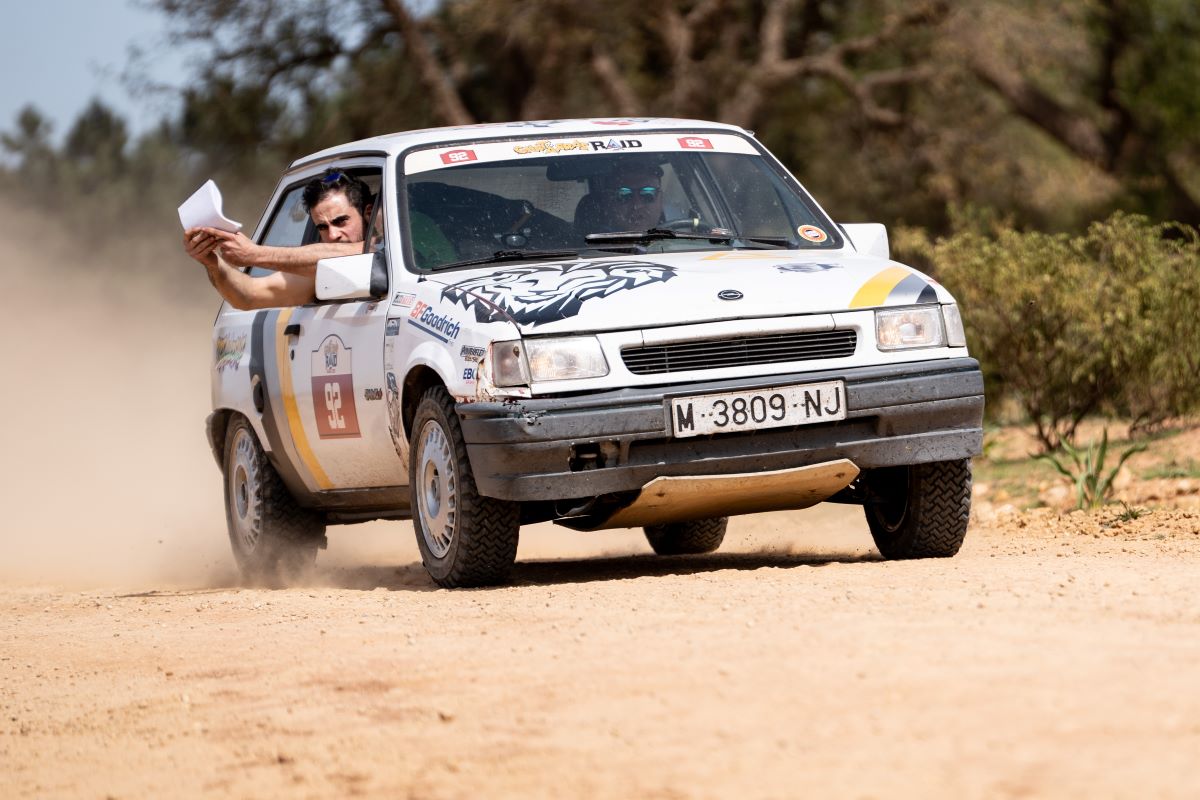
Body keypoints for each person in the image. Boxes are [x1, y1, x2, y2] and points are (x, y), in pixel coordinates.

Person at [182, 169, 372, 309]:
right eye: (322, 227)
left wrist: (254, 254)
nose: (332, 235)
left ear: (368, 213)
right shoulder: (320, 272)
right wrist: (212, 262)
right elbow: (249, 295)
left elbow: (361, 253)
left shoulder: (393, 249)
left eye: (341, 221)